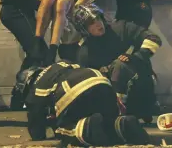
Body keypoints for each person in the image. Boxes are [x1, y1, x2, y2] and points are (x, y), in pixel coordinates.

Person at [15, 62, 150, 147]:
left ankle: (85, 129)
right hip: (102, 84)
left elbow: (37, 131)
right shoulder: (60, 65)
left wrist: (51, 121)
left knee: (62, 131)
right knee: (107, 122)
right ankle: (121, 124)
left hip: (76, 92)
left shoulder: (35, 88)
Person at [71, 4, 162, 121]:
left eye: (98, 18)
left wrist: (136, 57)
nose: (98, 23)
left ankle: (134, 108)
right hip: (109, 98)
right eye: (91, 23)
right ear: (84, 29)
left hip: (140, 90)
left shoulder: (121, 28)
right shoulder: (84, 52)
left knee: (120, 65)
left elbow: (154, 39)